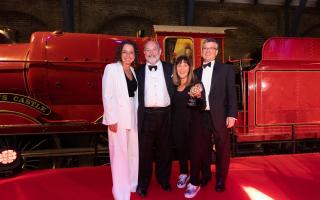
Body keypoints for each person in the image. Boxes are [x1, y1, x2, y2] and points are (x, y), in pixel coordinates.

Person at [185, 38, 238, 198]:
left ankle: (221, 179)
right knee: (203, 149)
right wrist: (192, 95)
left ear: (216, 51)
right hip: (201, 116)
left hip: (221, 116)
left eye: (211, 48)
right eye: (205, 48)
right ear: (201, 52)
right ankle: (206, 175)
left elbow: (231, 94)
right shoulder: (196, 72)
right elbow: (194, 97)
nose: (207, 51)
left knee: (222, 150)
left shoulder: (226, 70)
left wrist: (232, 115)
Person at [135, 40, 174, 197]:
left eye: (154, 50)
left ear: (160, 52)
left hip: (166, 115)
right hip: (146, 116)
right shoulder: (137, 71)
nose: (151, 53)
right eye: (148, 50)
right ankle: (143, 183)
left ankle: (164, 180)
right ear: (144, 54)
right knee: (144, 153)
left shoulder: (170, 68)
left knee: (165, 150)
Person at [102, 40, 139, 200]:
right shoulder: (111, 69)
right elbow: (107, 95)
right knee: (119, 155)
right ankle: (120, 192)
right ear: (120, 53)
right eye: (125, 52)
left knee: (132, 153)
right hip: (117, 117)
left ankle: (132, 184)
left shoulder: (133, 70)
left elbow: (134, 97)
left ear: (134, 55)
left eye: (131, 52)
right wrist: (111, 119)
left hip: (132, 115)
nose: (128, 55)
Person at [171, 55, 197, 189]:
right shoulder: (174, 86)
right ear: (176, 68)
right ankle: (183, 173)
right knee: (180, 150)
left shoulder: (195, 85)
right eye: (179, 65)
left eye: (185, 65)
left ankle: (194, 177)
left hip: (191, 125)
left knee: (192, 152)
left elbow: (199, 106)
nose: (182, 68)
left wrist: (196, 97)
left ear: (190, 68)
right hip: (177, 125)